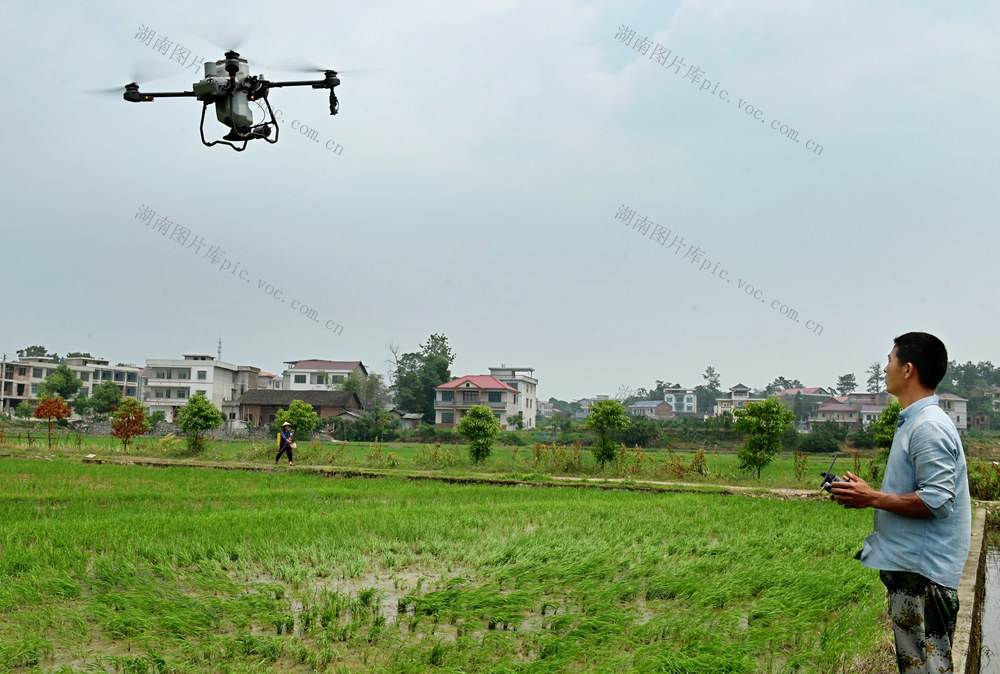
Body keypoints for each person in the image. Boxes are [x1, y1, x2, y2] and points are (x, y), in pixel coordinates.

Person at [831, 332, 971, 674]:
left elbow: (937, 501)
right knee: (919, 666)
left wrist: (872, 497)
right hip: (914, 569)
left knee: (926, 667)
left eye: (890, 360)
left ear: (907, 369)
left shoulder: (928, 427)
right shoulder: (914, 421)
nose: (884, 368)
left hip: (922, 573)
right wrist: (868, 495)